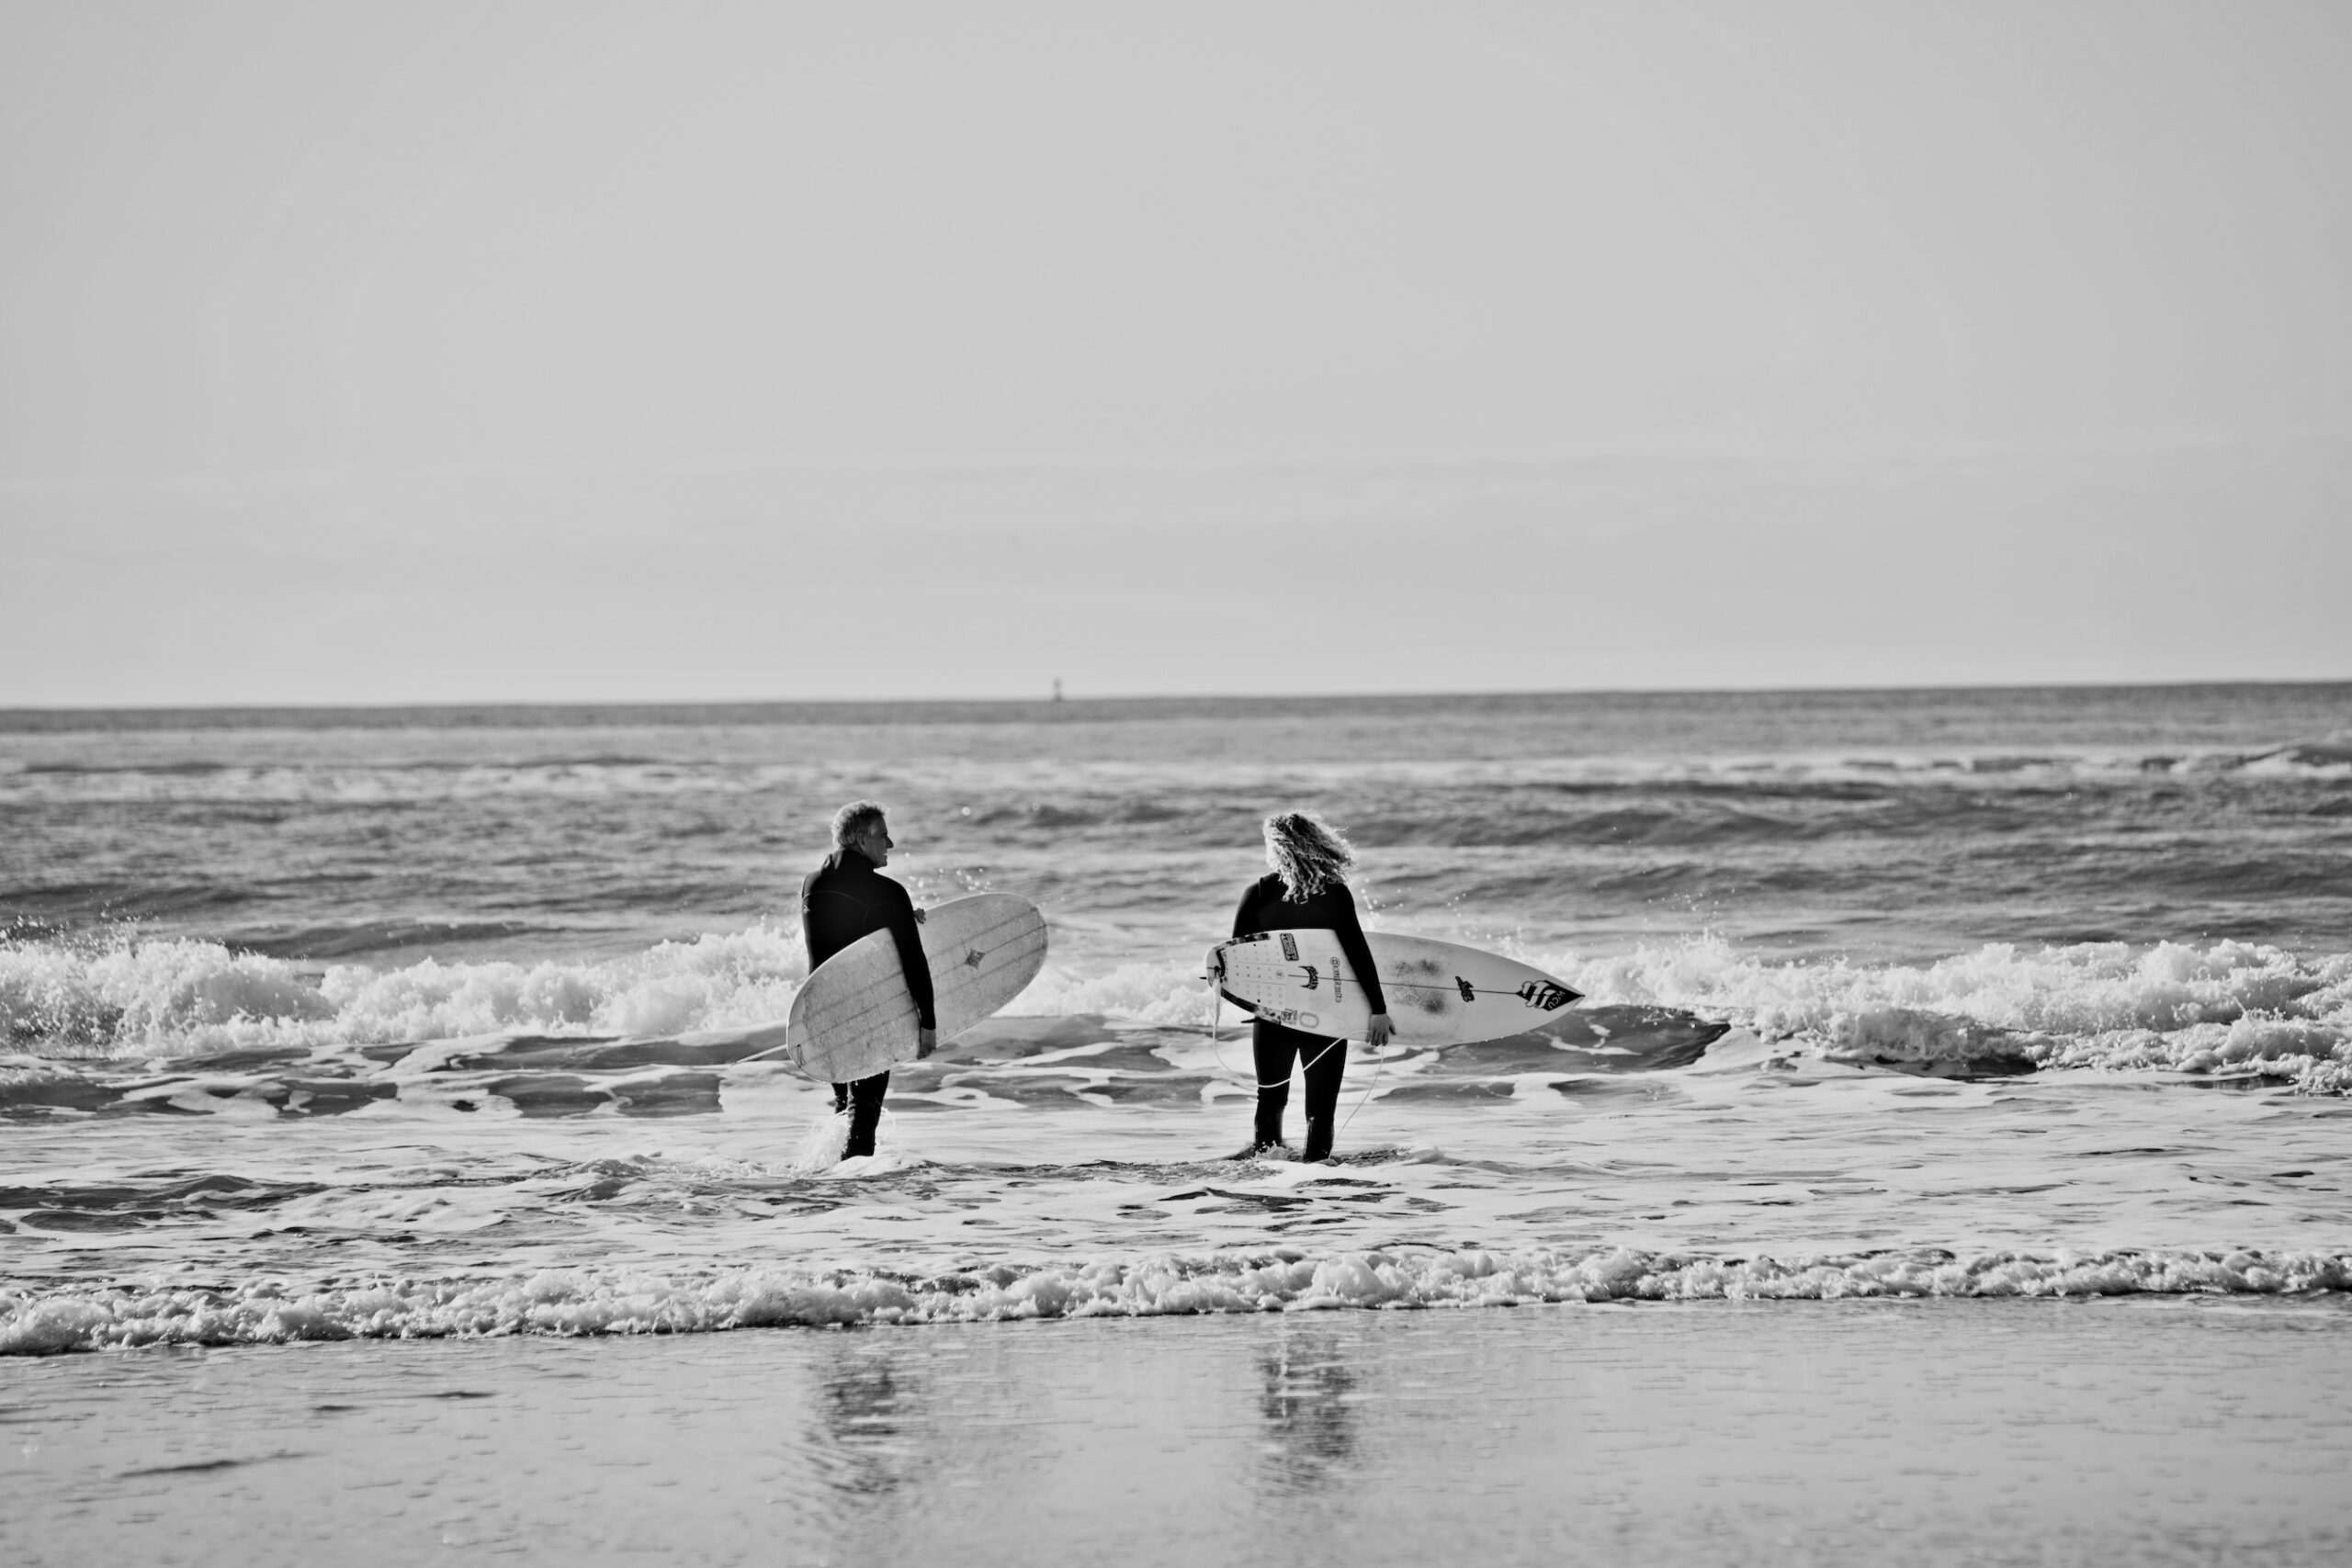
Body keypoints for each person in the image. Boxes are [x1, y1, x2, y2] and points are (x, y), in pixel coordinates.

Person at [1229, 810, 1392, 1162]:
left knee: (1270, 1100)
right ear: (1316, 844)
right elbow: (1357, 955)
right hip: (1327, 1016)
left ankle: (1267, 1173)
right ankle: (1318, 1181)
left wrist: (1251, 1006)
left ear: (1277, 847)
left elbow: (1238, 963)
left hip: (1274, 1017)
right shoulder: (1334, 895)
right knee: (1321, 1108)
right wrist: (1377, 1010)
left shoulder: (1257, 894)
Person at [800, 800, 936, 1159]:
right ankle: (855, 1194)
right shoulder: (888, 894)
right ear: (861, 840)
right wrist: (928, 1023)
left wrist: (901, 916)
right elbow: (912, 960)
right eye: (883, 836)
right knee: (865, 1116)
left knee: (846, 1105)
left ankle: (830, 1179)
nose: (889, 844)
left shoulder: (812, 884)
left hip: (823, 1012)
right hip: (868, 1017)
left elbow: (845, 938)